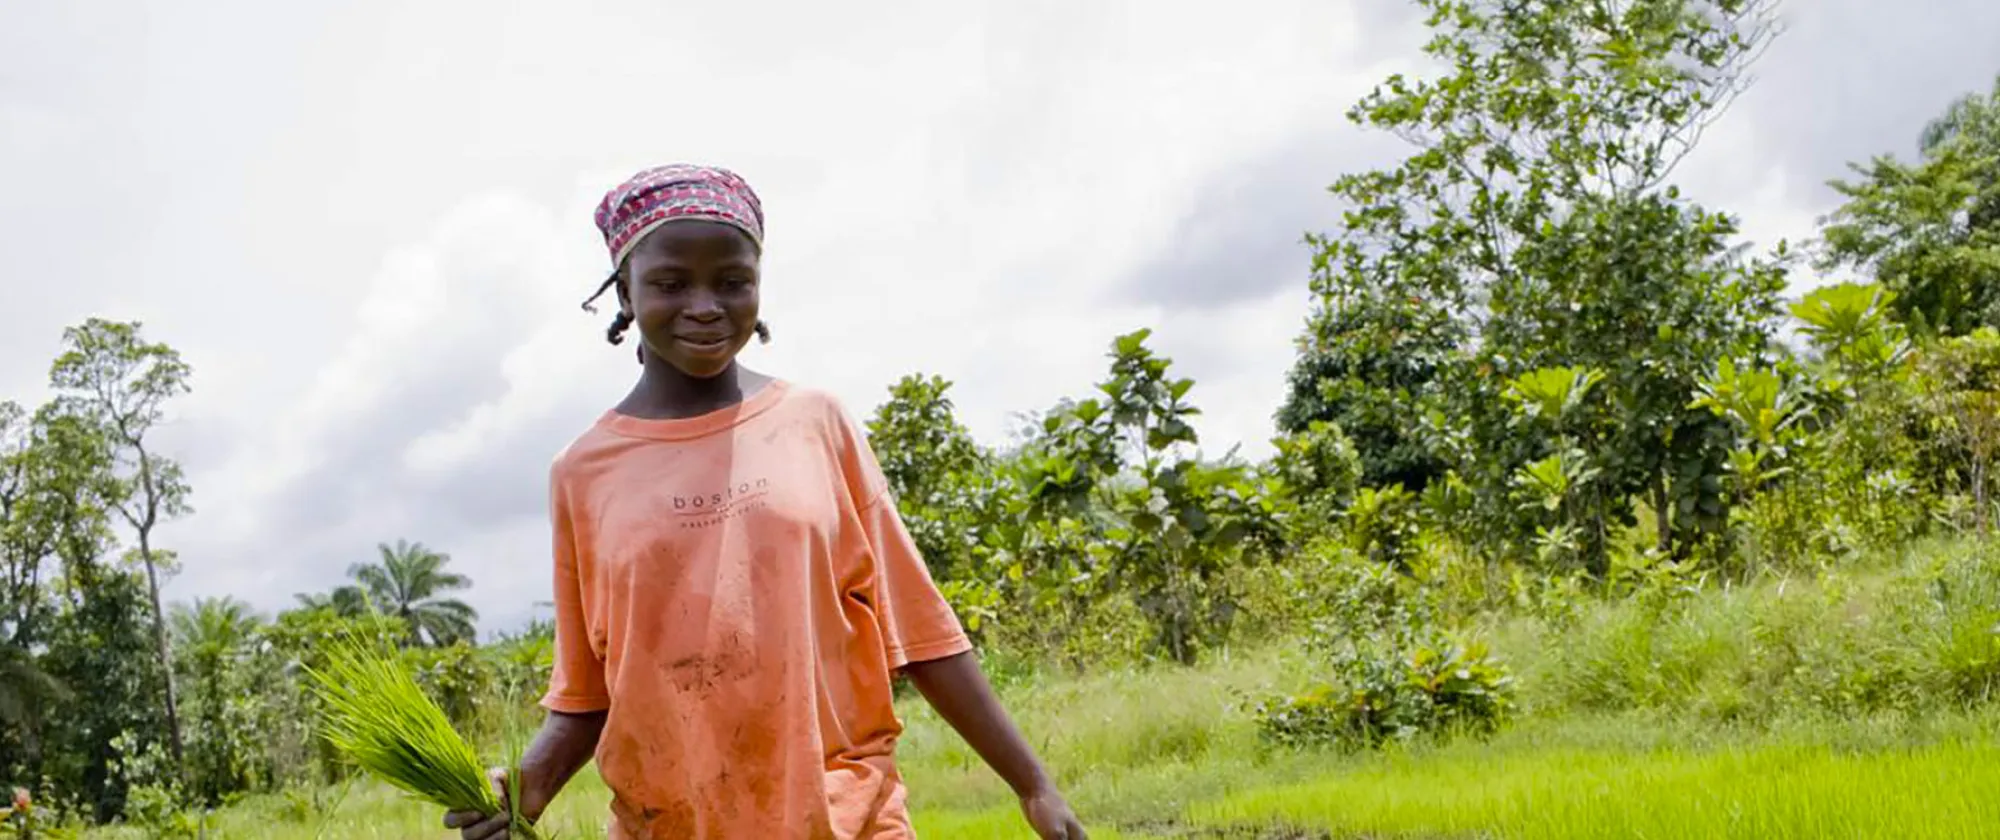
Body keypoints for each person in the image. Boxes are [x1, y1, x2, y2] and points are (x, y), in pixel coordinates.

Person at [442, 164, 1086, 839]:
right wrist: (528, 788)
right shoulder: (583, 472)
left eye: (732, 281)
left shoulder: (816, 424)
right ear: (624, 293)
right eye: (670, 283)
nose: (704, 305)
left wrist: (1033, 784)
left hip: (845, 817)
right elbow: (591, 686)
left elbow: (921, 632)